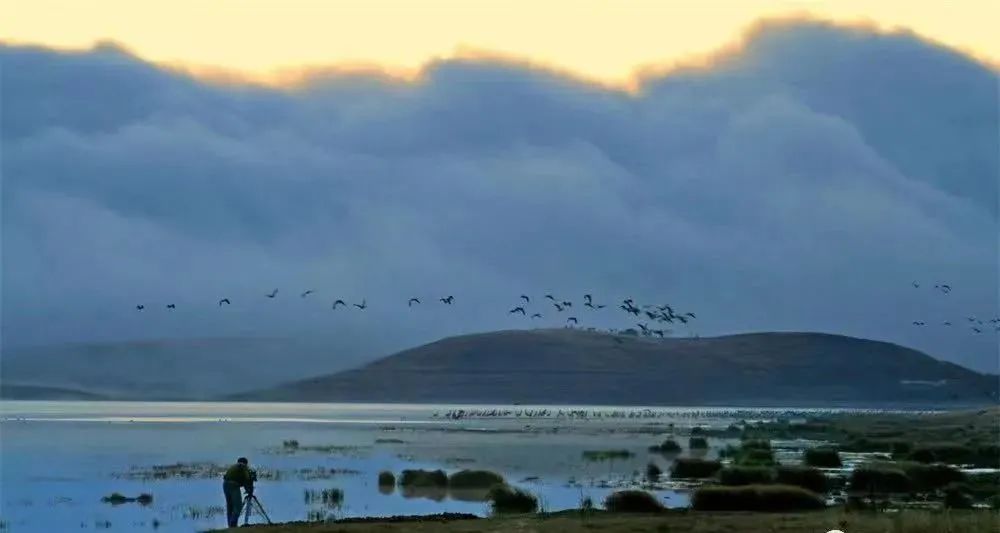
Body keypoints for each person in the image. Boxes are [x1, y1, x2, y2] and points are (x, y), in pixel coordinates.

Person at [222, 457, 254, 527]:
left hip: (225, 484)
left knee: (230, 506)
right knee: (238, 506)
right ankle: (233, 522)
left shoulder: (233, 467)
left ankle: (230, 525)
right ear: (245, 463)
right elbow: (247, 480)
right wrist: (249, 490)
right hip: (233, 485)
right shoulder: (243, 467)